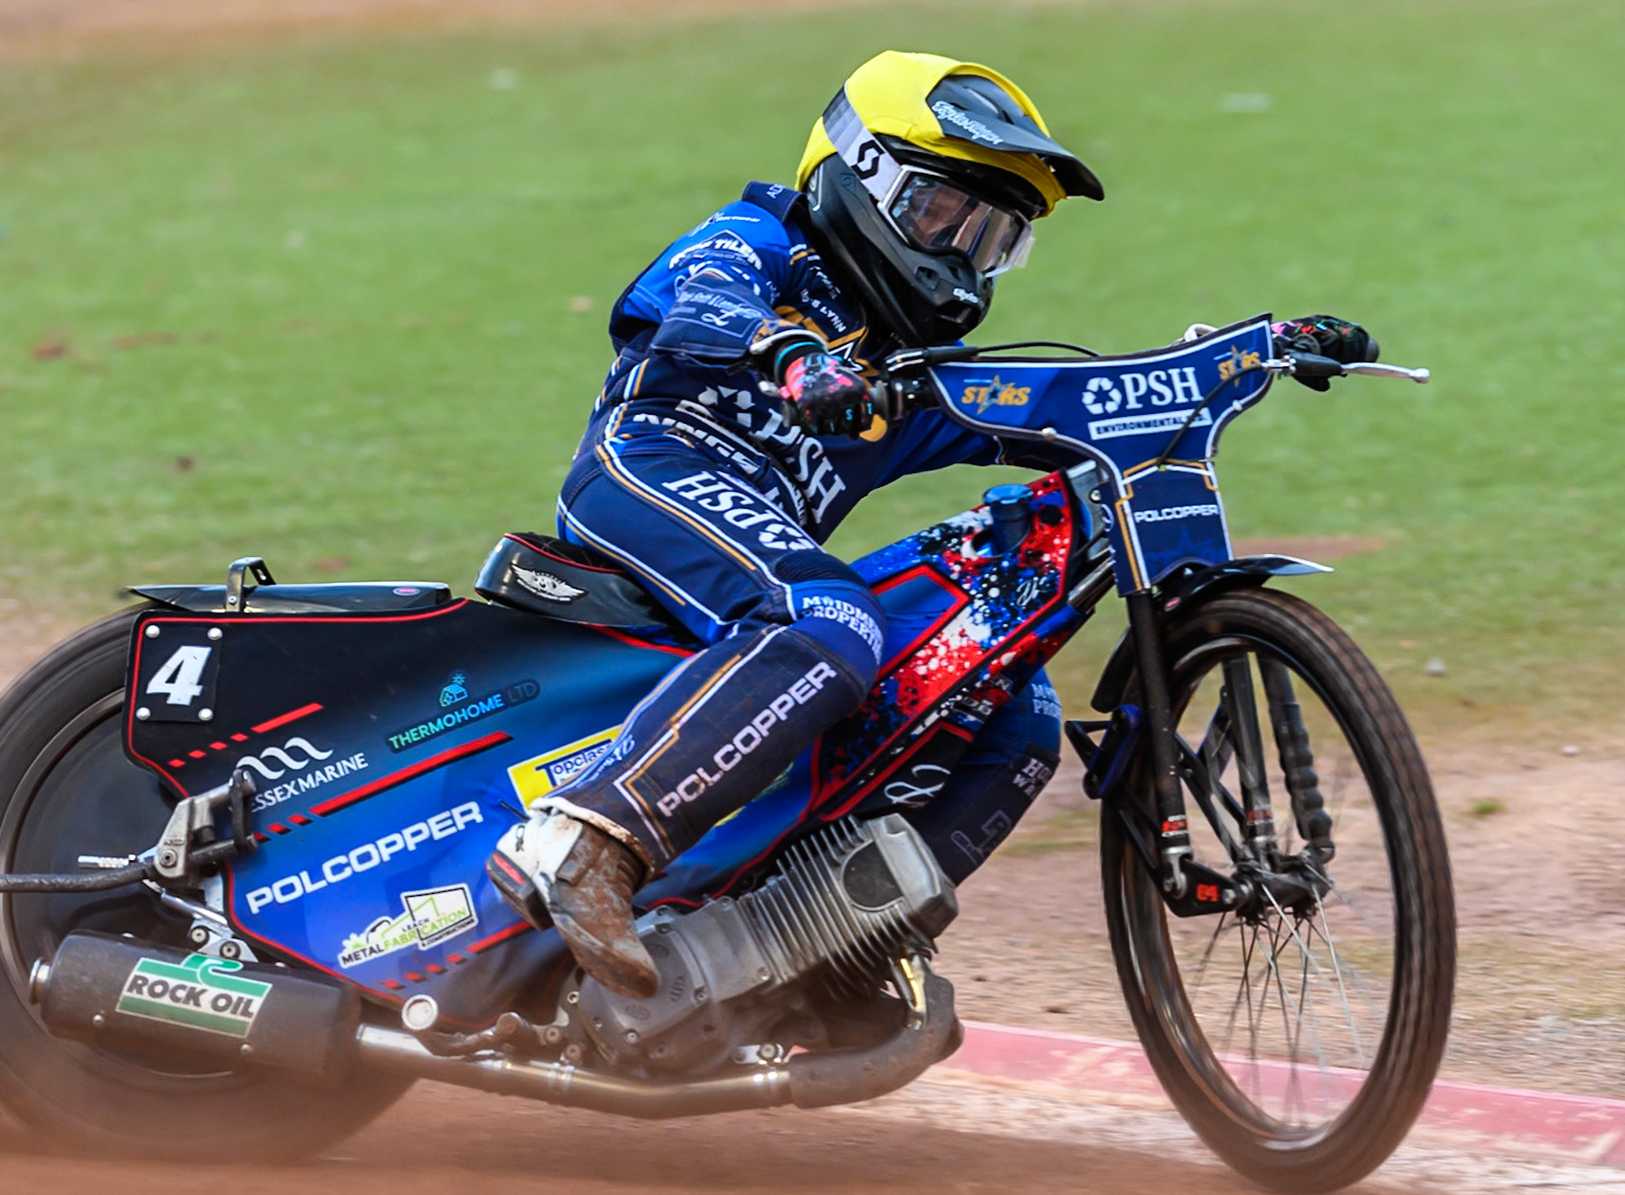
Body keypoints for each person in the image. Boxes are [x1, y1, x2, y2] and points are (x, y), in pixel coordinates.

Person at [486, 51, 1376, 998]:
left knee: (1012, 707)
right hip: (647, 470)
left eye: (991, 237)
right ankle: (586, 839)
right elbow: (707, 300)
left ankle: (812, 961)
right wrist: (792, 353)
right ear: (860, 174)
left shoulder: (905, 376)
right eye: (944, 213)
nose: (960, 253)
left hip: (760, 545)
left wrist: (1253, 351)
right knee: (831, 619)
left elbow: (1081, 402)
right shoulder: (759, 237)